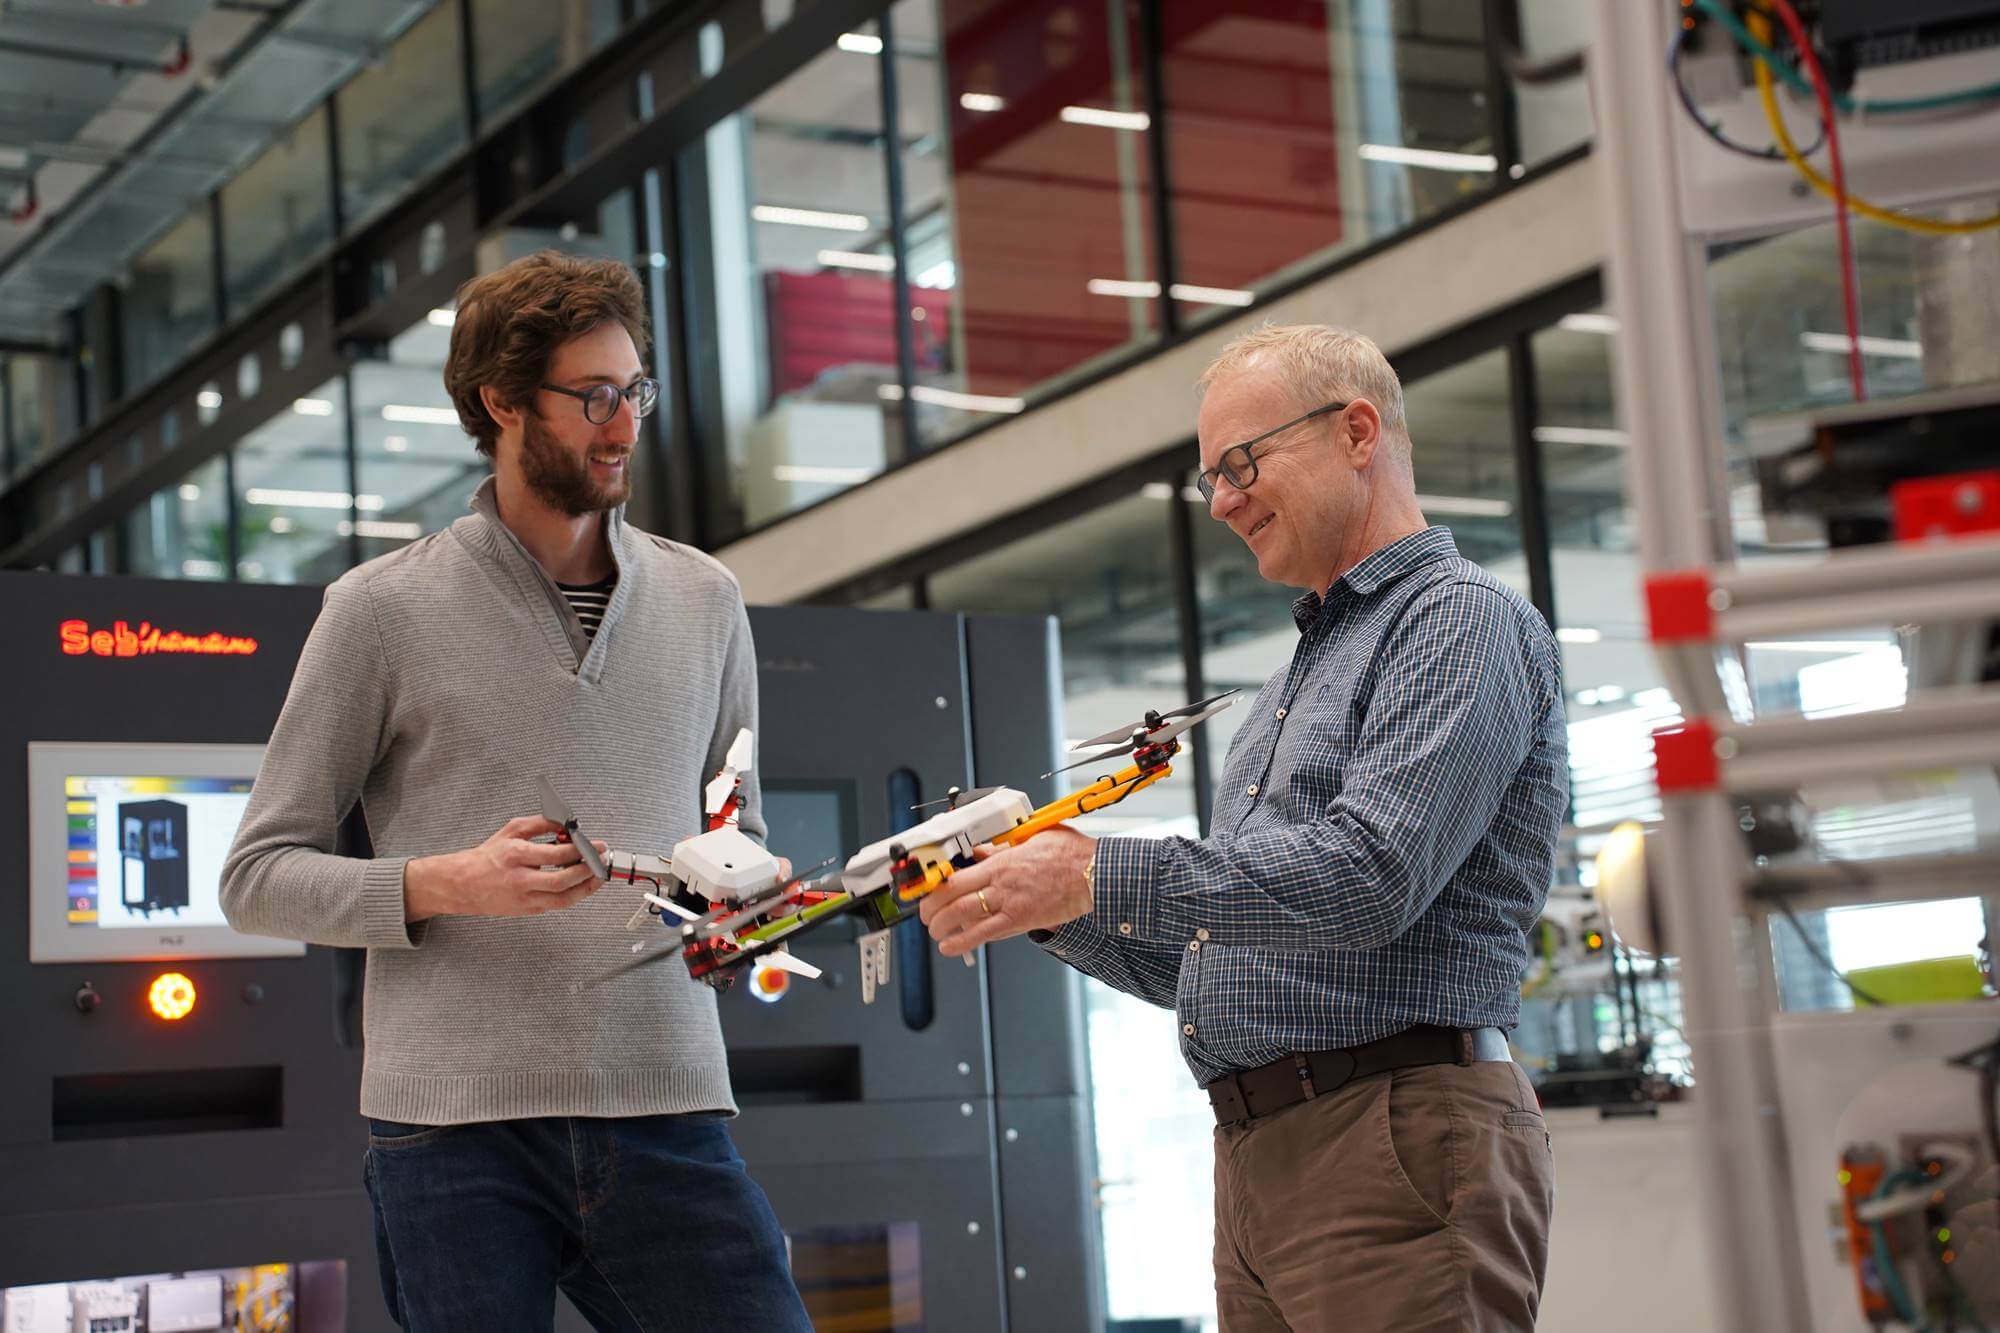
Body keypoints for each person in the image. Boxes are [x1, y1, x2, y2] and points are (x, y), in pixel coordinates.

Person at [920, 323, 1568, 1331]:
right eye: (1209, 478)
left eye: (1241, 462)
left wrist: (1094, 872)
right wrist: (1043, 905)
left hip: (1389, 1131)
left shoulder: (1455, 620)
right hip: (1263, 1155)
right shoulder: (1289, 685)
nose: (1222, 501)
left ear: (1357, 432)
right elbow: (1223, 960)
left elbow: (1369, 878)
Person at [222, 250, 811, 1332]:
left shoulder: (706, 599)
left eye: (634, 391)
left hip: (667, 1100)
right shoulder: (377, 611)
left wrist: (746, 908)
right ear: (500, 401)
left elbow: (738, 826)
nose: (622, 426)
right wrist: (449, 882)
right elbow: (256, 877)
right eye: (592, 397)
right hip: (454, 1136)